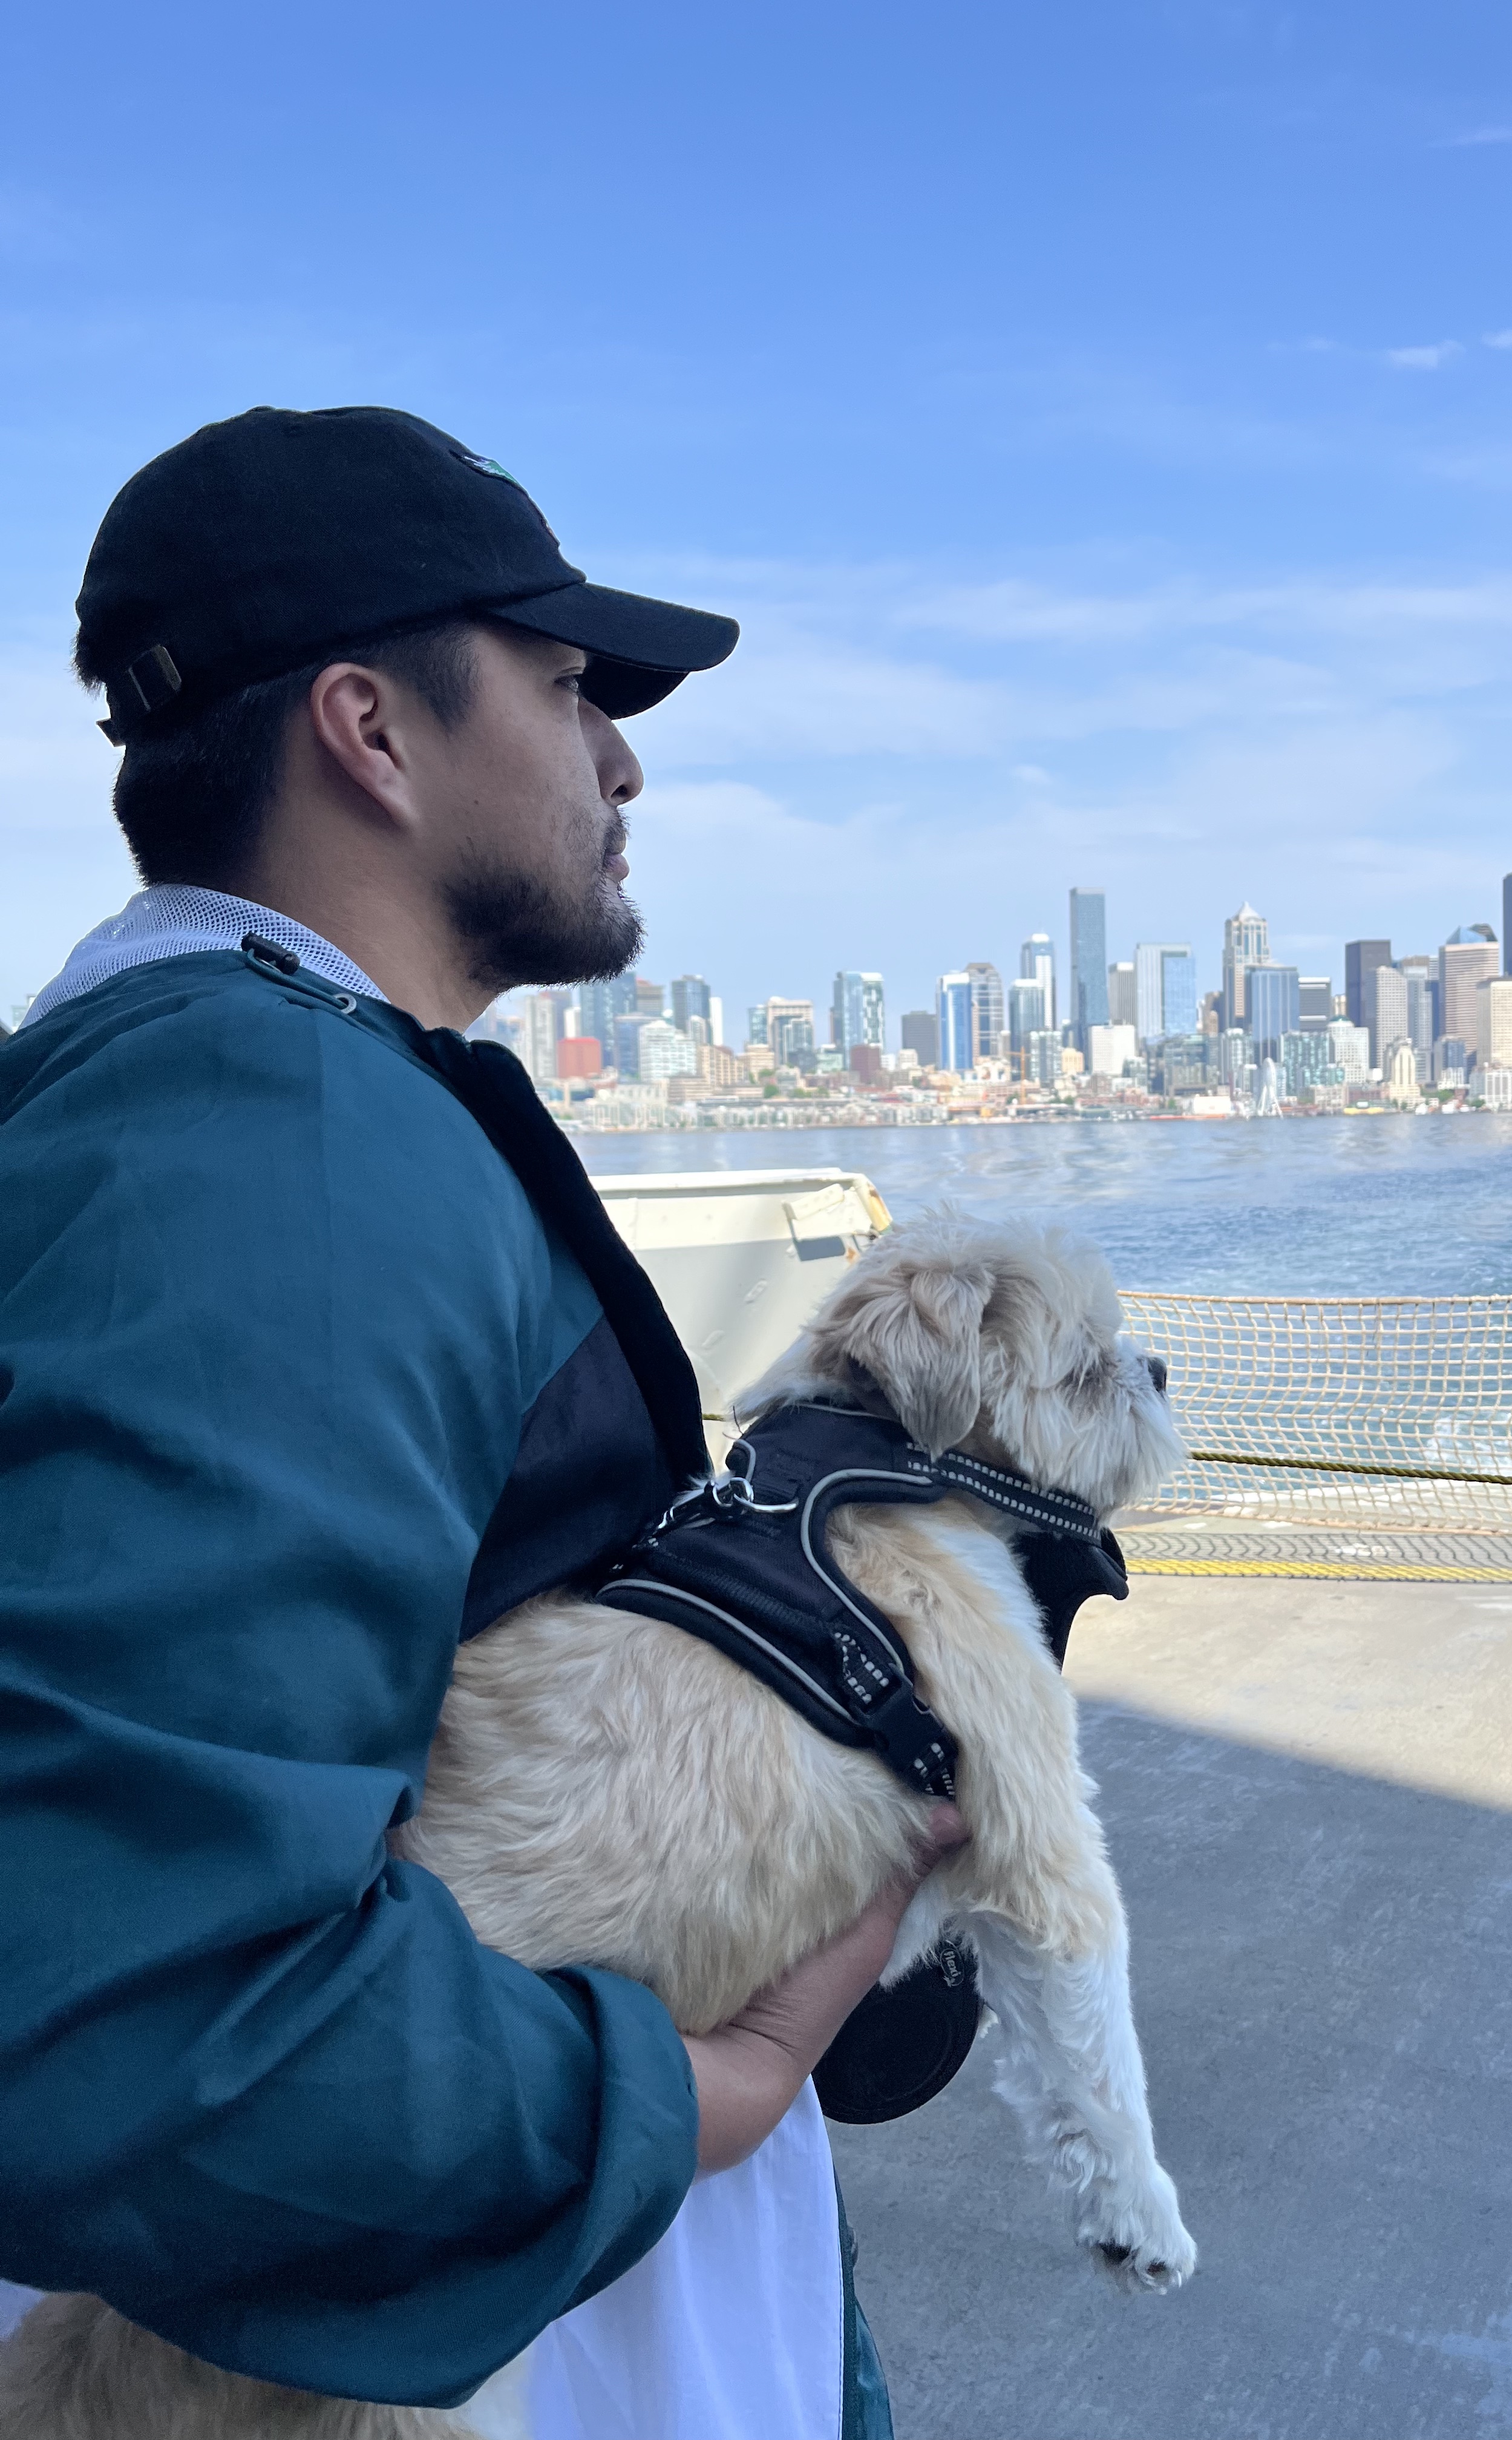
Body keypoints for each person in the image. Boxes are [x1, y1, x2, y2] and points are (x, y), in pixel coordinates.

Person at [0, 405, 960, 2439]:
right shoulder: (272, 1140)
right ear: (372, 729)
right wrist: (699, 2096)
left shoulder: (227, 1100)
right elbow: (150, 2012)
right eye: (568, 685)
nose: (623, 760)